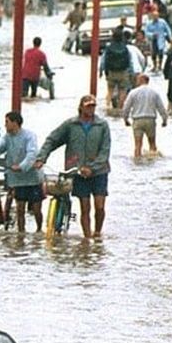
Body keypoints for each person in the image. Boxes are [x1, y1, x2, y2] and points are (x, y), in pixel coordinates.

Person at [33, 95, 111, 238]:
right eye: (88, 106)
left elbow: (105, 151)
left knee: (99, 206)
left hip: (99, 171)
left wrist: (92, 167)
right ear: (81, 107)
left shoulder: (102, 125)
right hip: (78, 171)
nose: (91, 109)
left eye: (93, 106)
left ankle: (98, 232)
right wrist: (41, 158)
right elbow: (52, 140)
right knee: (85, 207)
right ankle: (87, 239)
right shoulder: (71, 125)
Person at [0, 111, 45, 232]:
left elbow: (32, 153)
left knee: (36, 209)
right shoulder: (7, 138)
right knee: (20, 209)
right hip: (17, 179)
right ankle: (21, 233)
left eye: (7, 122)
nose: (5, 125)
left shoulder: (29, 136)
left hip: (32, 176)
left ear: (15, 123)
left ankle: (39, 229)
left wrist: (22, 166)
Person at [122, 74, 169, 159]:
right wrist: (164, 119)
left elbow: (126, 107)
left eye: (137, 80)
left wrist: (125, 119)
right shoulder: (154, 93)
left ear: (141, 80)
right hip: (150, 120)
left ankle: (137, 161)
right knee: (152, 144)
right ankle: (152, 161)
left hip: (137, 121)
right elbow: (161, 107)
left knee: (138, 145)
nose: (136, 82)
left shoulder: (133, 92)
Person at [99, 30, 134, 110]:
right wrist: (131, 72)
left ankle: (108, 107)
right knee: (122, 90)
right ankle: (120, 108)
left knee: (110, 90)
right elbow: (129, 61)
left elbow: (104, 60)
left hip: (111, 72)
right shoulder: (125, 47)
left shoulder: (109, 47)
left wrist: (101, 71)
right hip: (123, 72)